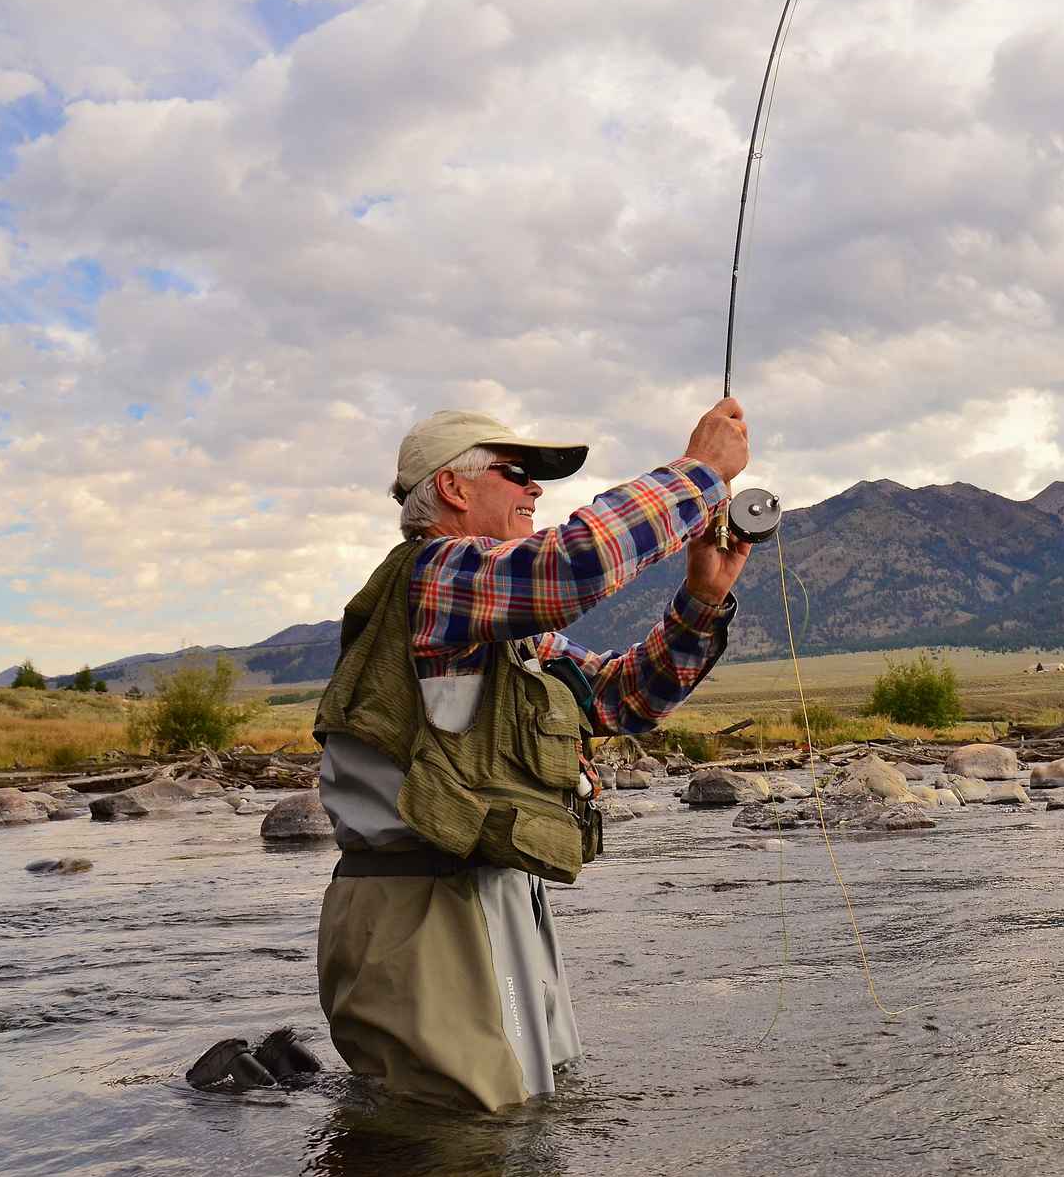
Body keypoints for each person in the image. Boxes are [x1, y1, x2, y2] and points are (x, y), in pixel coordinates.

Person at [313, 398, 751, 1110]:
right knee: (456, 1141)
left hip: (493, 899)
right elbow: (573, 566)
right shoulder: (434, 577)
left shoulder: (496, 626)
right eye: (518, 474)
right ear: (453, 489)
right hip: (421, 912)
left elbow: (623, 699)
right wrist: (699, 474)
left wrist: (702, 600)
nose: (536, 491)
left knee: (525, 1123)